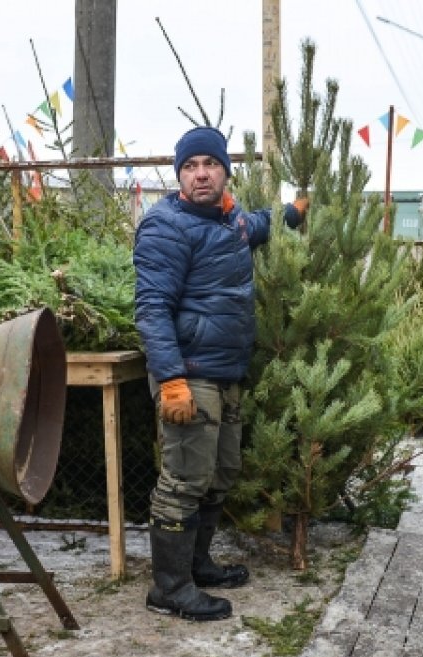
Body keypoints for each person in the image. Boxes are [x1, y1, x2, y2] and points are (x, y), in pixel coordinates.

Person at [133, 126, 308, 622]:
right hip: (189, 374)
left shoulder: (228, 221)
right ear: (179, 177)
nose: (200, 174)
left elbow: (258, 224)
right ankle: (169, 588)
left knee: (219, 475)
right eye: (190, 167)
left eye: (209, 164)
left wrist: (292, 213)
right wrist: (170, 380)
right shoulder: (166, 226)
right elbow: (151, 309)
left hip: (226, 371)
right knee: (185, 480)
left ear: (226, 173)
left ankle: (197, 565)